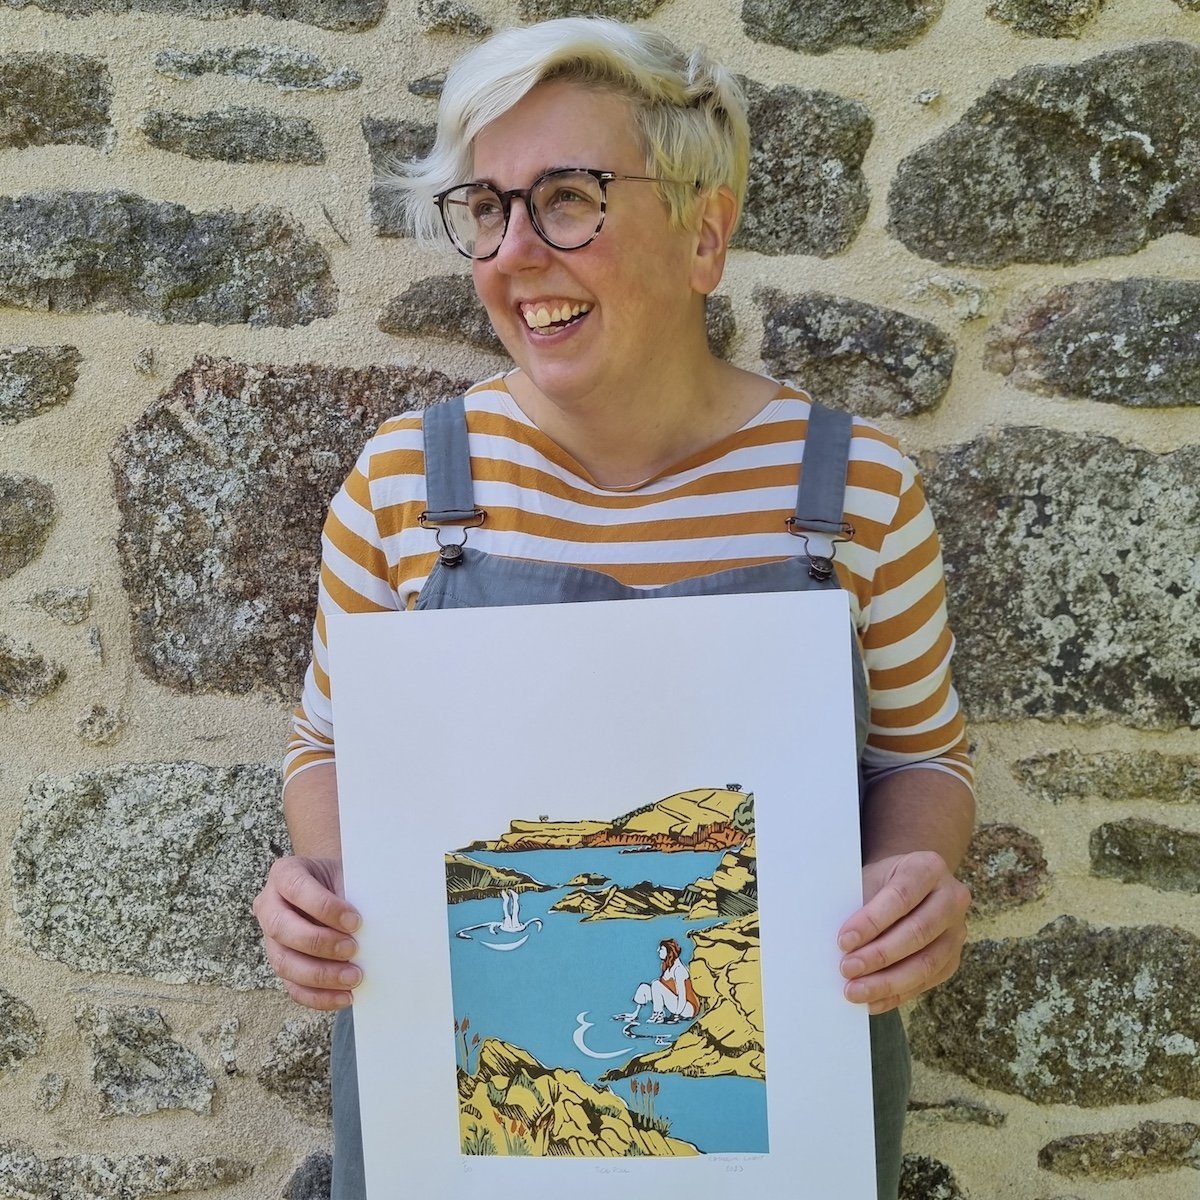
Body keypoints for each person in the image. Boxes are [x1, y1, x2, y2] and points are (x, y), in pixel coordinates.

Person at [253, 16, 974, 1199]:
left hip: (778, 1113)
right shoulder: (402, 488)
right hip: (457, 1116)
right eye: (486, 208)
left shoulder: (854, 495)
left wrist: (910, 884)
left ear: (704, 234)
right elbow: (326, 747)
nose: (514, 252)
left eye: (569, 198)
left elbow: (923, 761)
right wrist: (323, 892)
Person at [615, 938, 699, 1025]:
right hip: (675, 1003)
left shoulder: (679, 969)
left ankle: (659, 1015)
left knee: (656, 984)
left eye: (661, 949)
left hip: (687, 1008)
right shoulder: (667, 966)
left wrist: (676, 1015)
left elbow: (682, 995)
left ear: (669, 952)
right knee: (644, 987)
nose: (658, 951)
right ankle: (635, 1013)